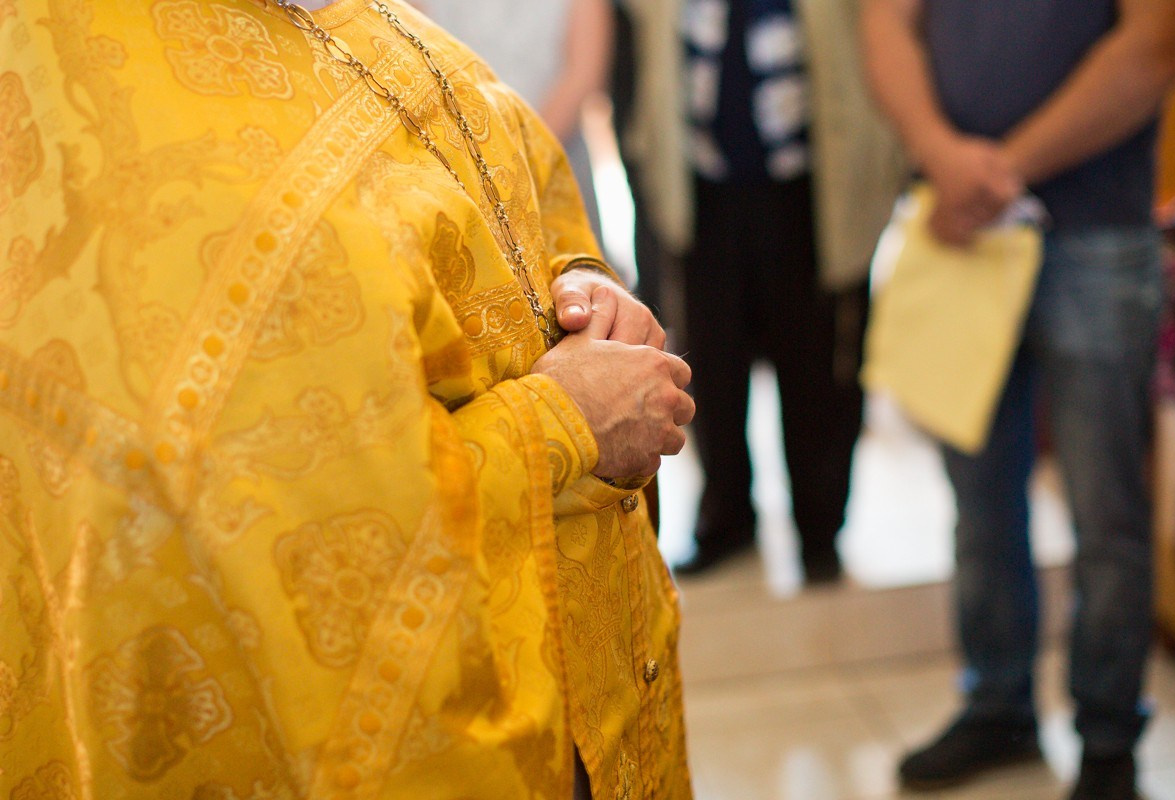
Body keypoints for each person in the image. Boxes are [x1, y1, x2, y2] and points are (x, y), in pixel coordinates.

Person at [0, 1, 695, 798]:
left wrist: (574, 285)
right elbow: (285, 539)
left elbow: (493, 166)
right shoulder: (123, 153)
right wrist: (565, 425)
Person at [860, 1, 1175, 798]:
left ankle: (1109, 739)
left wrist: (996, 171)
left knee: (1107, 515)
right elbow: (885, 25)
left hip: (1094, 234)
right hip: (958, 227)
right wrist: (943, 154)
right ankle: (998, 709)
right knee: (978, 503)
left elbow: (1153, 48)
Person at [627, 0, 907, 579]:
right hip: (703, 189)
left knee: (819, 369)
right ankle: (727, 518)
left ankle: (819, 530)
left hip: (810, 188)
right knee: (710, 364)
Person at [416, 0, 613, 256]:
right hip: (458, 158)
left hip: (550, 150)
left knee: (566, 269)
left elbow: (582, 74)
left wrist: (514, 156)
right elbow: (419, 55)